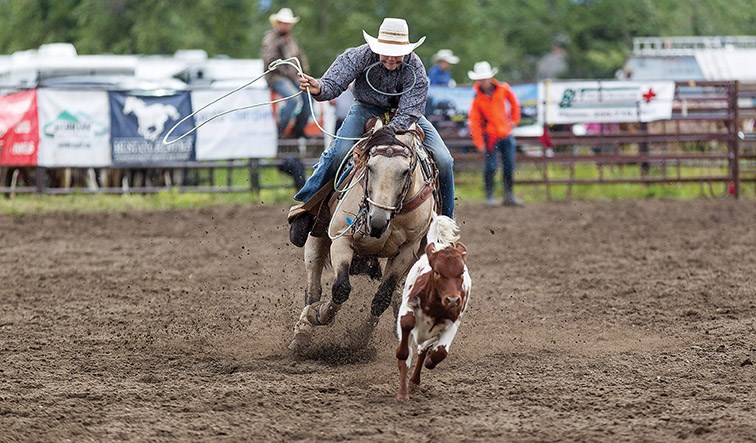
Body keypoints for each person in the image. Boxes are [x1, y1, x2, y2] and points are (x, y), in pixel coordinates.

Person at [288, 18, 456, 247]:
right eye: (385, 52)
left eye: (396, 54)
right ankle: (307, 208)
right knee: (339, 153)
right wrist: (319, 88)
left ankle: (444, 225)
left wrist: (385, 131)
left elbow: (410, 110)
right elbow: (333, 82)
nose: (390, 58)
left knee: (444, 159)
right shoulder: (360, 56)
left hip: (405, 115)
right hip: (365, 108)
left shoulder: (415, 67)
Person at [467, 61, 523, 207]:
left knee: (509, 165)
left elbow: (515, 104)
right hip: (490, 136)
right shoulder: (477, 100)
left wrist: (514, 120)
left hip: (506, 133)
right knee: (491, 167)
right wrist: (479, 143)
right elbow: (475, 123)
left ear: (490, 78)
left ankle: (509, 195)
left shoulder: (503, 89)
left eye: (484, 78)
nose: (483, 81)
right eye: (480, 79)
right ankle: (490, 196)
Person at [261, 8, 312, 139]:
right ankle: (280, 131)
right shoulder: (270, 39)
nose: (286, 25)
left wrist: (304, 74)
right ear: (277, 23)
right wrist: (290, 73)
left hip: (292, 76)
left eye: (288, 23)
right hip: (276, 77)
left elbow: (301, 57)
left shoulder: (291, 40)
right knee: (293, 99)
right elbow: (270, 62)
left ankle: (298, 129)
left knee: (310, 98)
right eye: (283, 22)